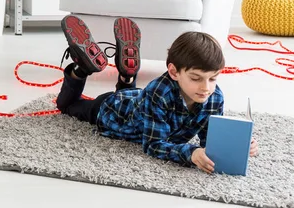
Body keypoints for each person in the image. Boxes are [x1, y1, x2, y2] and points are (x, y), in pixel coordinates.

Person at [58, 15, 259, 173]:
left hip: (138, 100)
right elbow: (153, 145)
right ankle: (81, 69)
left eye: (213, 78)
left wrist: (237, 146)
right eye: (196, 78)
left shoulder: (214, 97)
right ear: (173, 72)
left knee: (136, 97)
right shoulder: (159, 92)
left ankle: (128, 76)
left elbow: (209, 142)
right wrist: (191, 153)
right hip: (112, 109)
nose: (206, 87)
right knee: (66, 106)